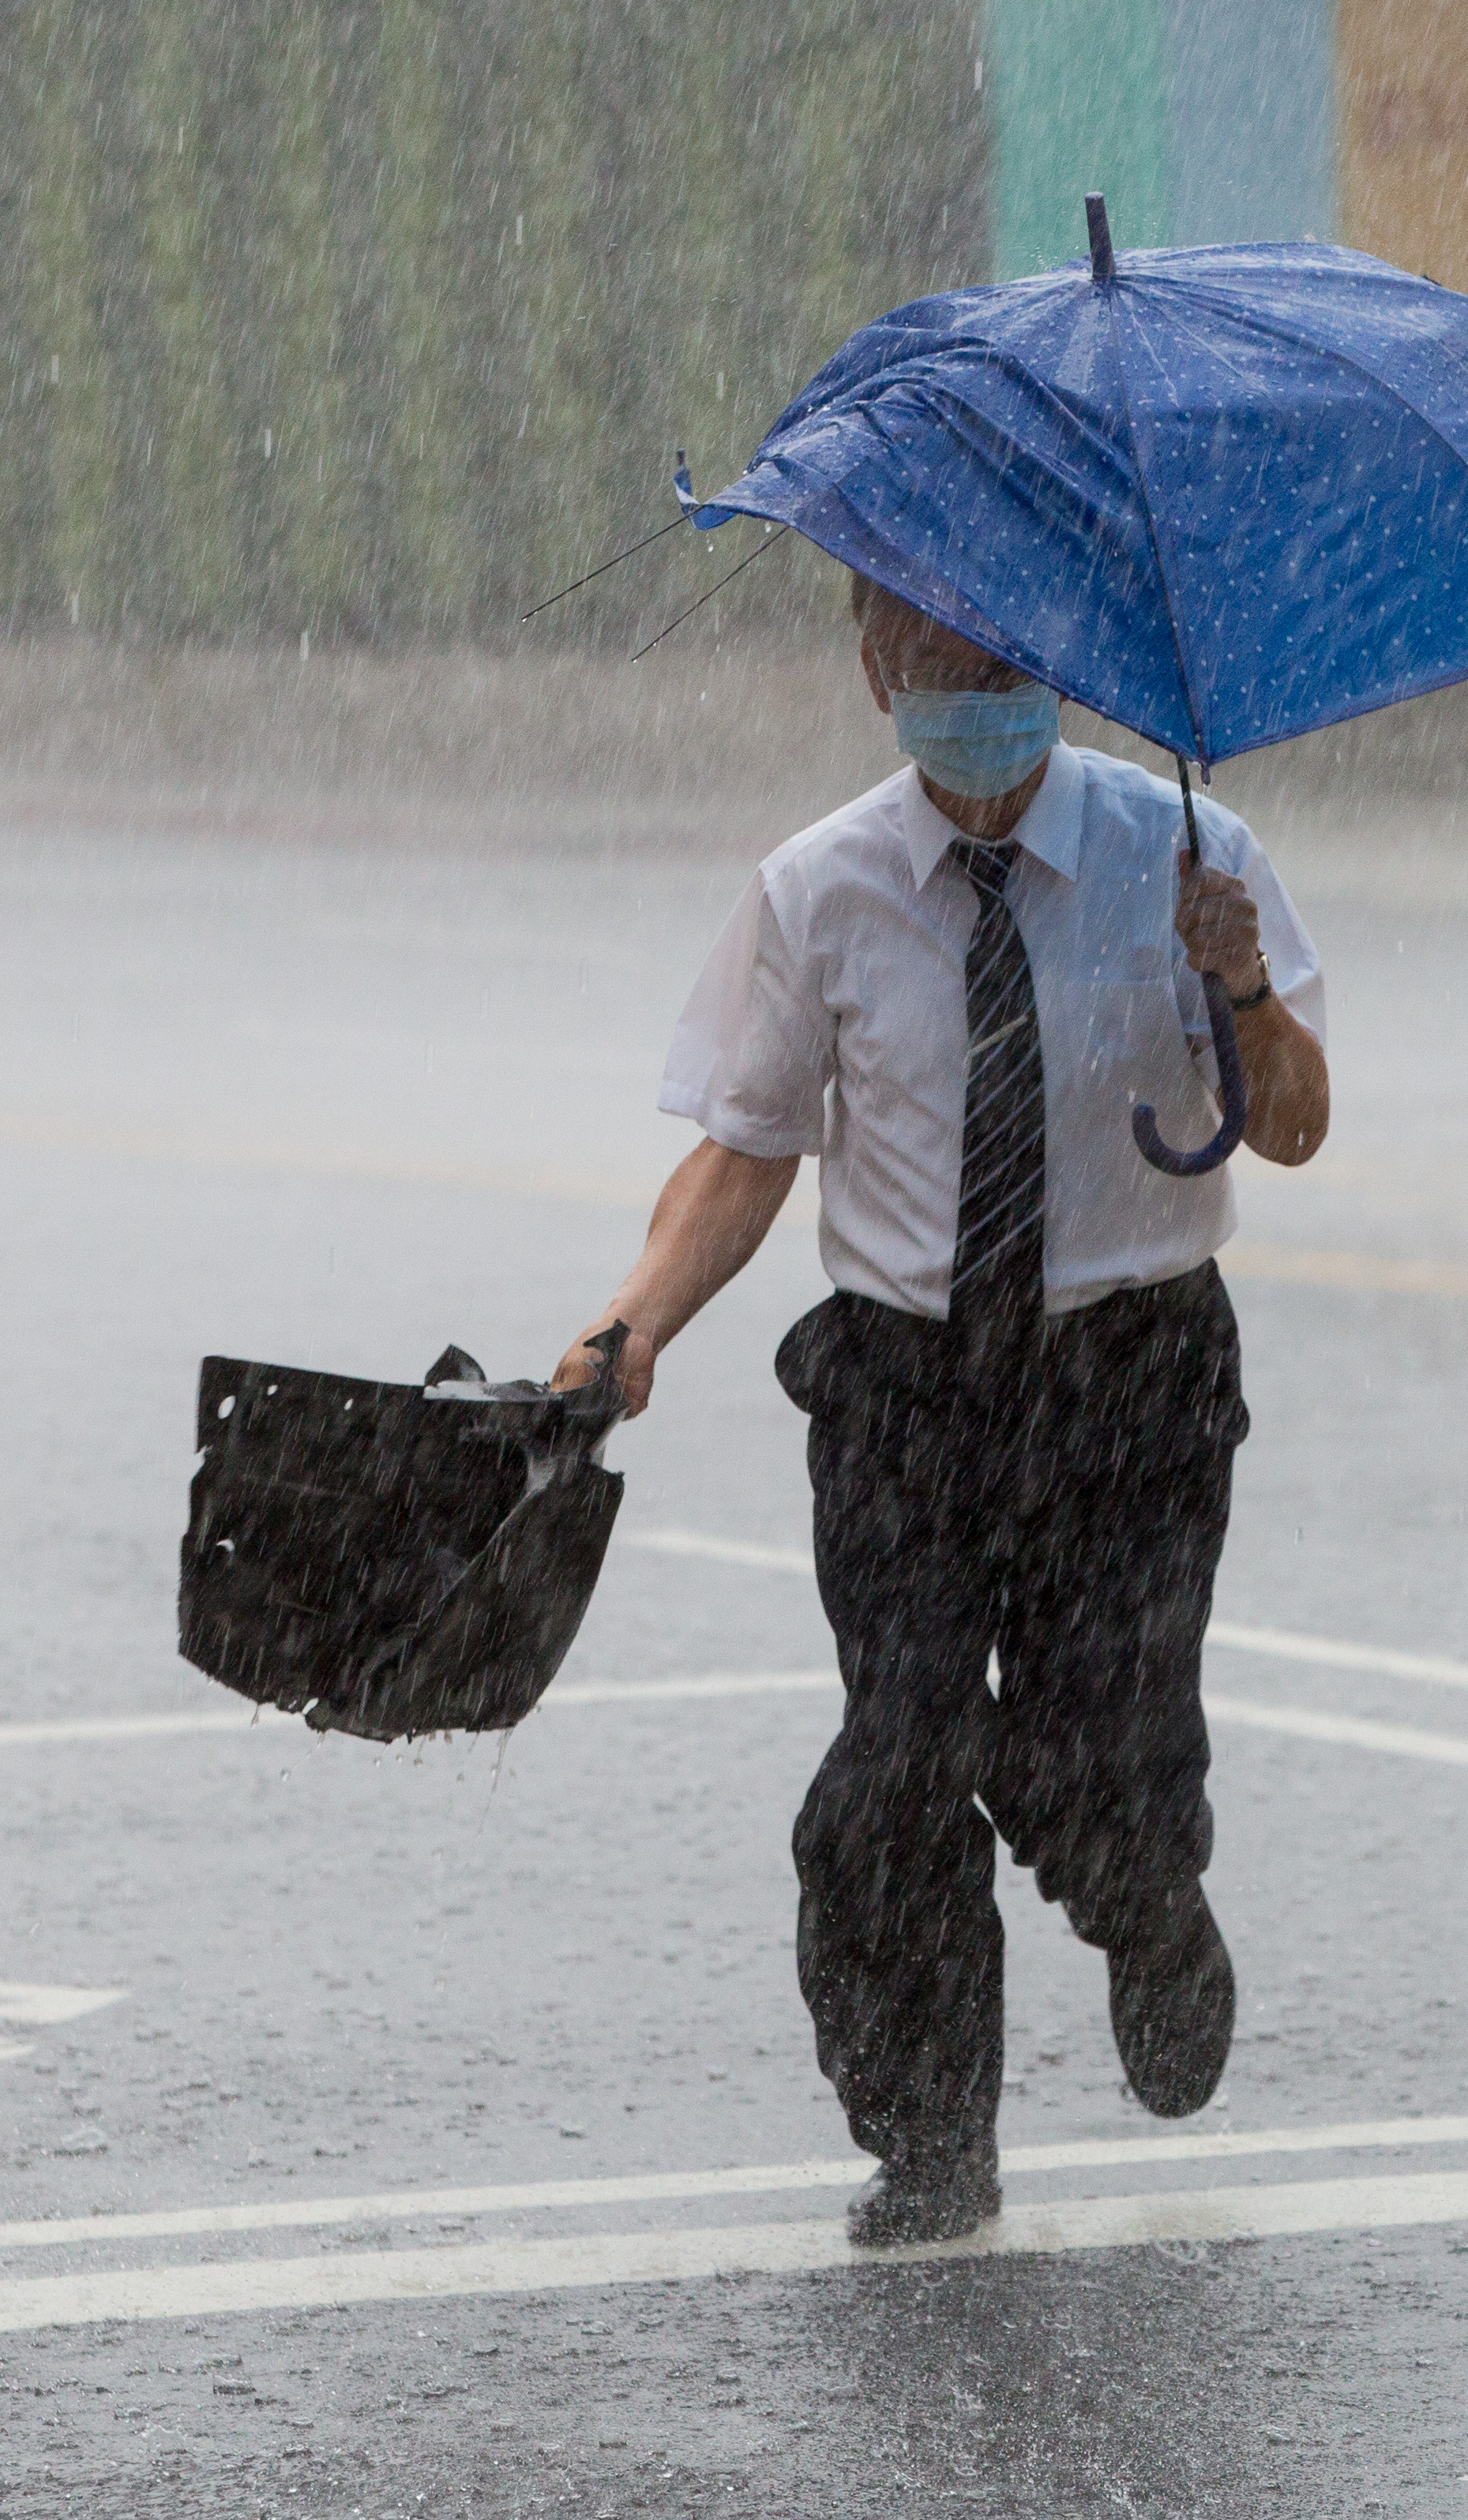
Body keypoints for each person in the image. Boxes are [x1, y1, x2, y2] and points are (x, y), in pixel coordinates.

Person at [554, 576, 1331, 2248]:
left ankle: (1146, 1903)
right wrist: (632, 1325)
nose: (973, 688)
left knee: (1092, 1756)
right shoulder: (818, 890)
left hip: (1132, 1385)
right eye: (935, 659)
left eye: (1005, 656)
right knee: (895, 1770)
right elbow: (746, 1151)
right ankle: (928, 2139)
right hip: (906, 1394)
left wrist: (1245, 984)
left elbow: (1294, 1129)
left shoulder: (1188, 855)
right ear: (873, 670)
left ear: (1064, 659)